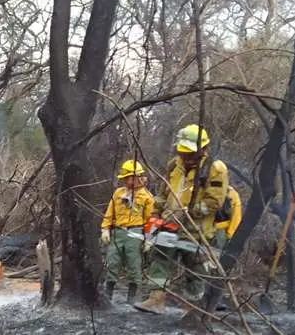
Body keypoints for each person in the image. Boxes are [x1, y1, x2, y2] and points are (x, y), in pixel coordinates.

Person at [134, 124, 229, 315]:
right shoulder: (174, 165)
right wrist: (155, 216)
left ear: (203, 149)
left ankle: (193, 308)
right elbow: (162, 194)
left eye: (189, 153)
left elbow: (215, 200)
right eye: (182, 151)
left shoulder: (215, 169)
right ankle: (156, 300)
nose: (185, 156)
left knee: (195, 268)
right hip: (168, 226)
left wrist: (191, 211)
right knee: (159, 260)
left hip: (196, 229)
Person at [101, 160, 154, 303]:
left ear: (136, 177)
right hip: (118, 232)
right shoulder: (118, 193)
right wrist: (105, 229)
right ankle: (107, 297)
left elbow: (150, 219)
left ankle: (132, 300)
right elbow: (109, 212)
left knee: (133, 265)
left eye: (127, 177)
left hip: (135, 234)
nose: (125, 180)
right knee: (112, 263)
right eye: (124, 178)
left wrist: (148, 238)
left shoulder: (146, 197)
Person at [213, 185, 242, 250]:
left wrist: (216, 226)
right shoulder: (232, 194)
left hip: (221, 230)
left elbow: (235, 219)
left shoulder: (231, 195)